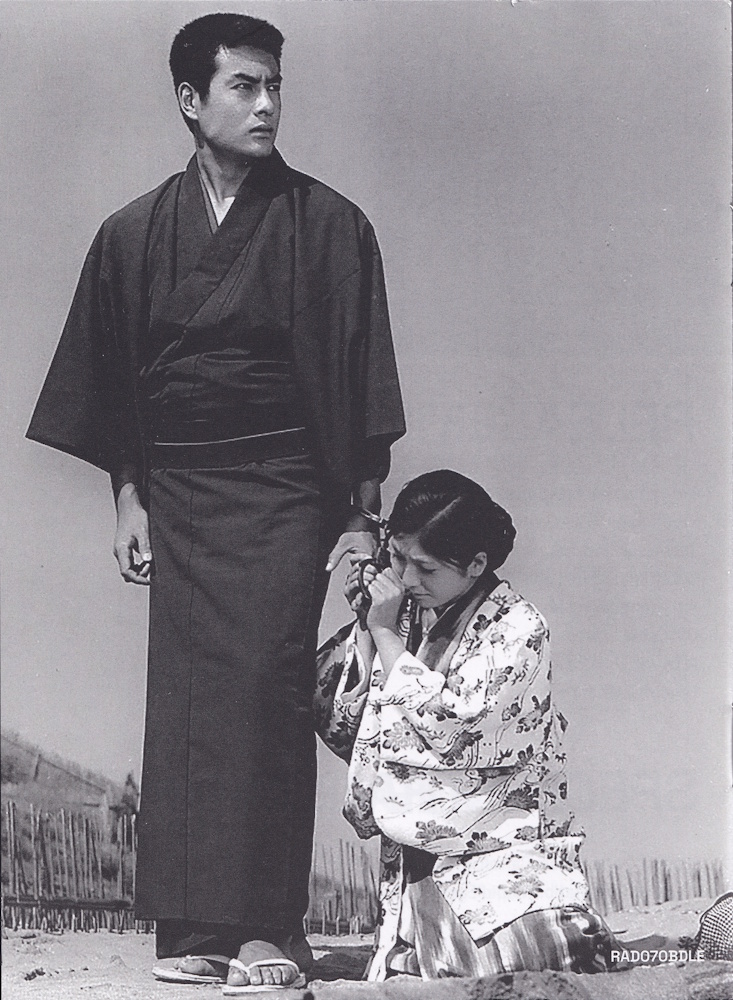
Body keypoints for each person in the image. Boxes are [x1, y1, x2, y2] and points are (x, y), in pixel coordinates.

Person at [26, 12, 405, 992]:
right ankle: (192, 928)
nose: (267, 104)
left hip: (284, 489)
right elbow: (111, 386)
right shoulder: (133, 234)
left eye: (275, 85)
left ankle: (269, 927)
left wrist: (360, 515)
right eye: (245, 85)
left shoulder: (328, 225)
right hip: (180, 492)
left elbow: (358, 379)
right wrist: (128, 499)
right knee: (188, 702)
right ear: (190, 100)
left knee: (267, 687)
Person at [315, 470, 613, 979]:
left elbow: (454, 730)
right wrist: (366, 628)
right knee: (429, 962)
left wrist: (385, 636)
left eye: (426, 568)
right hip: (416, 852)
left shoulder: (519, 628)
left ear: (476, 564)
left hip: (501, 840)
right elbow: (343, 722)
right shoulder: (401, 611)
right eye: (397, 557)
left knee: (544, 952)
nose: (407, 578)